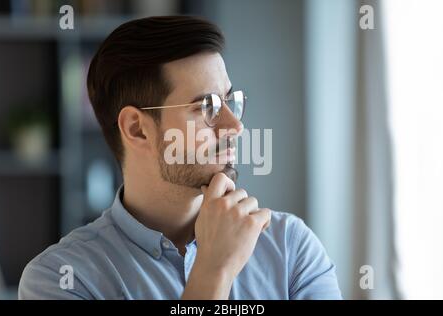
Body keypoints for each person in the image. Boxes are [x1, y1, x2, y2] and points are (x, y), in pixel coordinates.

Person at [19, 15, 341, 300]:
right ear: (137, 129)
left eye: (229, 101)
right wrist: (214, 271)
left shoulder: (290, 248)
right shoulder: (61, 280)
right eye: (207, 107)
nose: (235, 126)